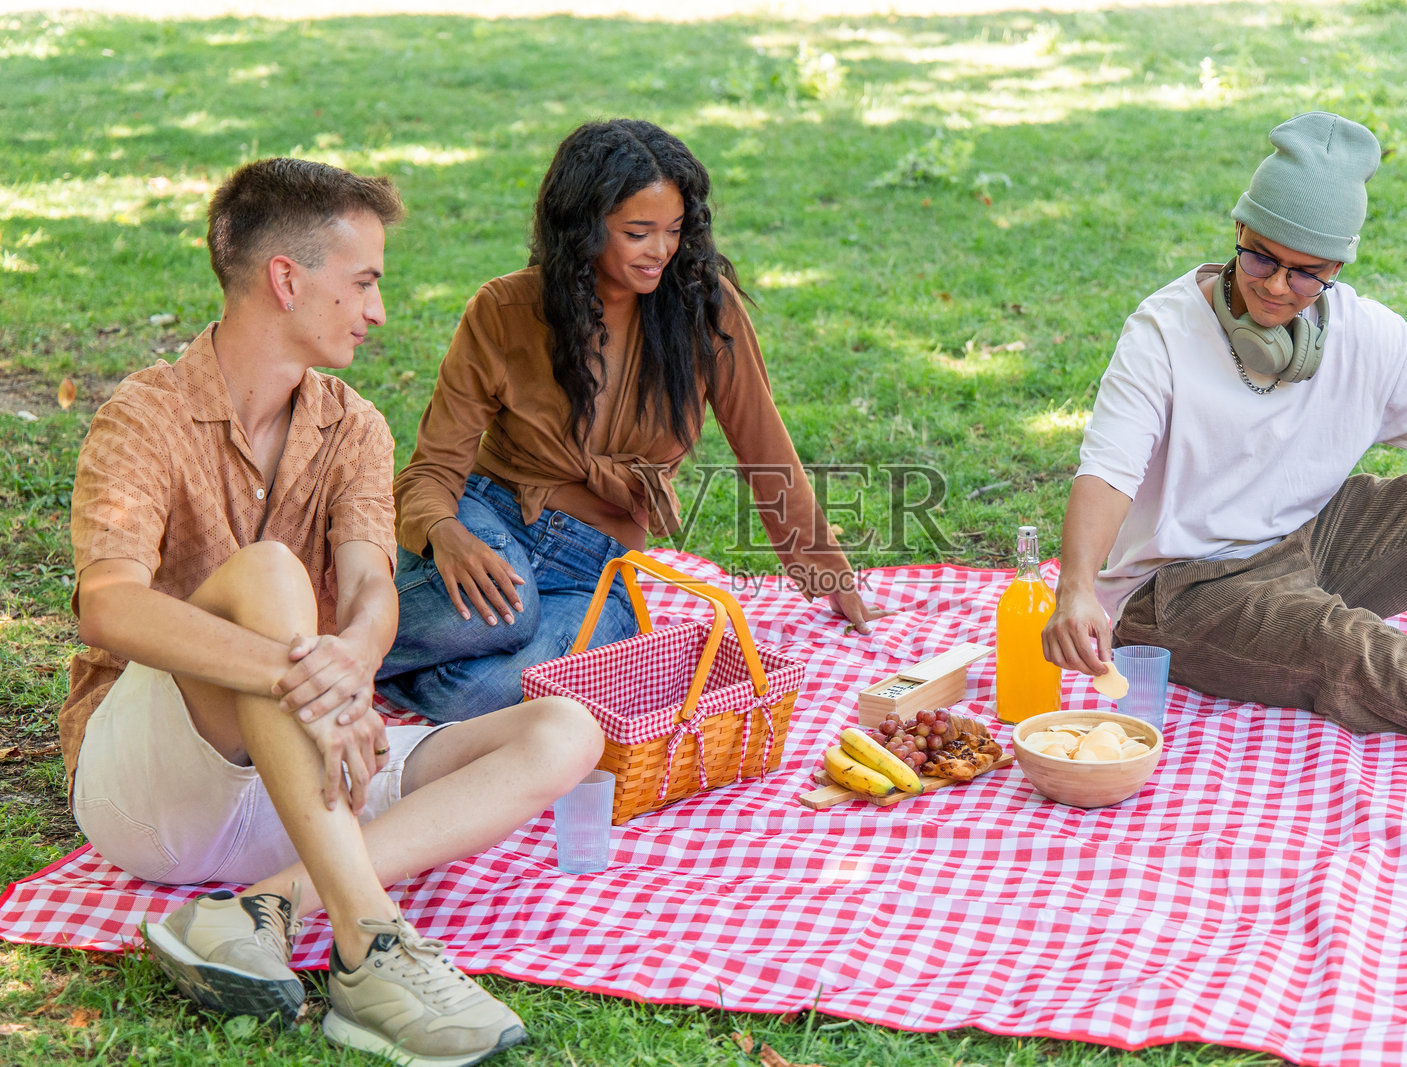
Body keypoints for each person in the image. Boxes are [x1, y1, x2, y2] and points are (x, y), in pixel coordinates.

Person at [65, 157, 604, 1067]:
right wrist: (305, 676)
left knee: (566, 730)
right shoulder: (143, 416)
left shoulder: (355, 426)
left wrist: (350, 658)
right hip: (154, 788)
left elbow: (370, 593)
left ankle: (264, 907)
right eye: (362, 282)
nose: (377, 310)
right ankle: (369, 945)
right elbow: (109, 608)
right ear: (287, 280)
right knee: (270, 574)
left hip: (304, 779)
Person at [1042, 111, 1407, 755]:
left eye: (1306, 273)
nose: (1277, 286)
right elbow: (1108, 470)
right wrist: (1076, 588)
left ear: (1336, 266)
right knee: (1351, 649)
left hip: (1311, 536)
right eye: (1261, 256)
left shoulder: (1367, 335)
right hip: (1182, 588)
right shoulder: (1161, 332)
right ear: (1239, 230)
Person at [377, 118, 879, 723]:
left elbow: (765, 453)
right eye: (638, 233)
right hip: (494, 517)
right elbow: (433, 466)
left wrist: (831, 578)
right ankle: (322, 640)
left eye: (674, 230)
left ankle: (354, 659)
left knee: (491, 694)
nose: (661, 251)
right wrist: (445, 534)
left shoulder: (706, 310)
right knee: (510, 614)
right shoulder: (504, 309)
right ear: (582, 228)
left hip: (599, 568)